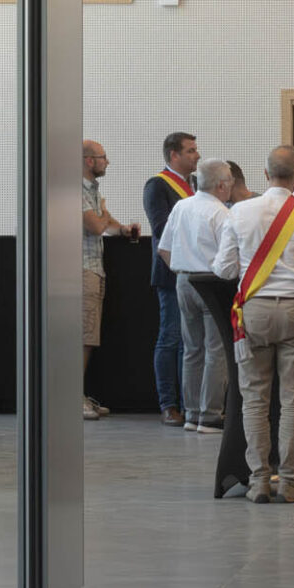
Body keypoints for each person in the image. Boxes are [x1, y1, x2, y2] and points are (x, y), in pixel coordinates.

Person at [212, 145, 294, 503]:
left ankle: (259, 483)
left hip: (254, 312)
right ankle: (291, 482)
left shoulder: (240, 212)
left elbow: (224, 269)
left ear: (265, 175)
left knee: (254, 400)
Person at [160, 158, 237, 432]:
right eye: (230, 182)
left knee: (192, 349)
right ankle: (210, 415)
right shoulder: (222, 214)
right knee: (216, 350)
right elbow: (229, 258)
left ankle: (191, 414)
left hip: (183, 280)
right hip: (212, 283)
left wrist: (182, 270)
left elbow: (163, 249)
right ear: (221, 185)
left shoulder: (181, 206)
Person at [144, 132, 203, 426]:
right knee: (170, 338)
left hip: (196, 272)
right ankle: (168, 404)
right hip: (171, 273)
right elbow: (161, 229)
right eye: (191, 151)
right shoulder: (157, 185)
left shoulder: (195, 185)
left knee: (191, 344)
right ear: (174, 155)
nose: (197, 155)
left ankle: (190, 403)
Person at [80, 140, 142, 420]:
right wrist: (103, 214)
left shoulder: (92, 190)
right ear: (89, 161)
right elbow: (95, 225)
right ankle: (71, 396)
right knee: (83, 336)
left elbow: (105, 223)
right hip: (81, 270)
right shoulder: (75, 189)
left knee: (88, 336)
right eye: (103, 157)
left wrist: (123, 229)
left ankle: (78, 394)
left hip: (94, 269)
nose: (108, 162)